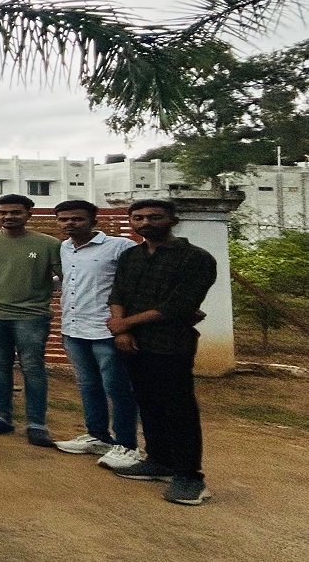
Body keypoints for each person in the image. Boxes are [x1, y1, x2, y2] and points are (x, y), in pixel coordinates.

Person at [107, 199, 218, 506]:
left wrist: (122, 324)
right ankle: (158, 461)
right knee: (147, 401)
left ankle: (189, 477)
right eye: (138, 217)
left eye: (154, 217)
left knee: (177, 407)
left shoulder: (195, 258)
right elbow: (118, 292)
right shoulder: (131, 255)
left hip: (171, 342)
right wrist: (124, 331)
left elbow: (178, 306)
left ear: (173, 220)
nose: (145, 222)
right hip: (132, 343)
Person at [52, 199, 142, 469]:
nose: (70, 223)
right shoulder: (64, 248)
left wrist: (125, 325)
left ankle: (127, 445)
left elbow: (132, 286)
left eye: (77, 219)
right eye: (64, 219)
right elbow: (69, 281)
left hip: (107, 330)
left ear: (94, 221)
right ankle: (98, 436)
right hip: (74, 327)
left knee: (118, 388)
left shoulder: (120, 247)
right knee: (88, 386)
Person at [0, 194, 62, 447]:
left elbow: (66, 277)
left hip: (31, 316)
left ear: (29, 214)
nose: (9, 217)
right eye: (3, 212)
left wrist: (44, 289)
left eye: (15, 212)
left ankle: (36, 423)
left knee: (32, 367)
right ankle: (1, 416)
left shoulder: (48, 244)